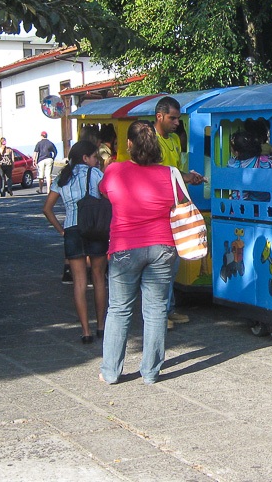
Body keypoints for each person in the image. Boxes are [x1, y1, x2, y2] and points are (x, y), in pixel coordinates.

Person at [98, 120, 180, 385]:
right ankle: (151, 372)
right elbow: (178, 202)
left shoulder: (114, 171)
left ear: (129, 144)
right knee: (156, 310)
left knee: (119, 310)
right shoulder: (169, 173)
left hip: (124, 247)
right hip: (162, 247)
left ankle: (110, 372)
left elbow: (104, 194)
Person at [42, 141, 108, 343]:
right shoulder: (95, 174)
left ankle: (85, 331)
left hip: (72, 229)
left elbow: (47, 208)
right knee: (98, 278)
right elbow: (108, 196)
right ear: (85, 158)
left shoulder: (62, 177)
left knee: (79, 282)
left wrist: (61, 230)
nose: (97, 160)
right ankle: (101, 326)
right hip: (95, 229)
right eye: (94, 157)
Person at [153, 97, 206, 329]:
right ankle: (159, 313)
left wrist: (188, 176)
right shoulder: (151, 141)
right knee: (161, 263)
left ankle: (169, 308)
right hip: (159, 209)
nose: (176, 123)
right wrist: (182, 177)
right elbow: (158, 173)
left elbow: (175, 170)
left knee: (173, 262)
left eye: (178, 118)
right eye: (172, 118)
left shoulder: (174, 140)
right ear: (159, 116)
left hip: (176, 208)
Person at [228, 129, 272, 201]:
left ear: (236, 153)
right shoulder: (264, 161)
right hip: (268, 200)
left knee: (239, 188)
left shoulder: (237, 165)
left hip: (246, 202)